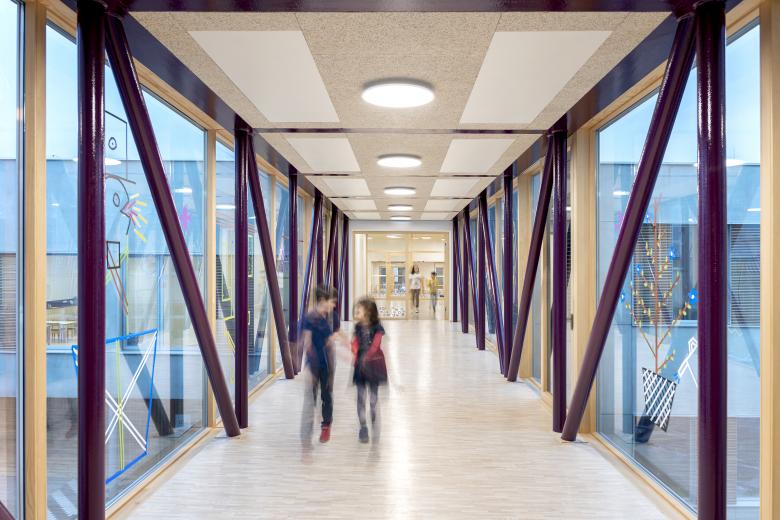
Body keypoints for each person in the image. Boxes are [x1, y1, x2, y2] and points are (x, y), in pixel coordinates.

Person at [300, 285, 342, 445]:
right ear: (323, 300)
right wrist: (308, 367)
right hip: (314, 363)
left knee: (326, 394)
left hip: (328, 362)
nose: (334, 305)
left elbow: (337, 331)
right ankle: (307, 433)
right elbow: (307, 342)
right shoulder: (310, 318)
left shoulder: (333, 316)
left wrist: (333, 338)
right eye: (332, 302)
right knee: (310, 397)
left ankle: (326, 425)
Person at [351, 298, 386, 443]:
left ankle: (373, 417)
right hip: (360, 367)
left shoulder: (377, 327)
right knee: (360, 397)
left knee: (372, 399)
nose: (356, 312)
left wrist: (366, 356)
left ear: (368, 312)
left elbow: (376, 345)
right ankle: (363, 427)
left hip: (374, 366)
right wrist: (355, 352)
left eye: (359, 309)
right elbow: (354, 343)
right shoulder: (358, 327)